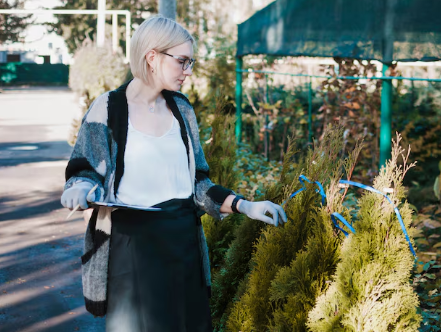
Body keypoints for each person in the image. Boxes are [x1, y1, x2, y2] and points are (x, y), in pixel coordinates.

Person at [60, 15, 287, 332]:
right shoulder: (108, 108)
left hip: (183, 245)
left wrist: (246, 206)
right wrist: (78, 190)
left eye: (191, 62)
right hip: (130, 249)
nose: (189, 71)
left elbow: (199, 185)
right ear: (152, 57)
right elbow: (83, 170)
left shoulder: (183, 110)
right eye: (182, 61)